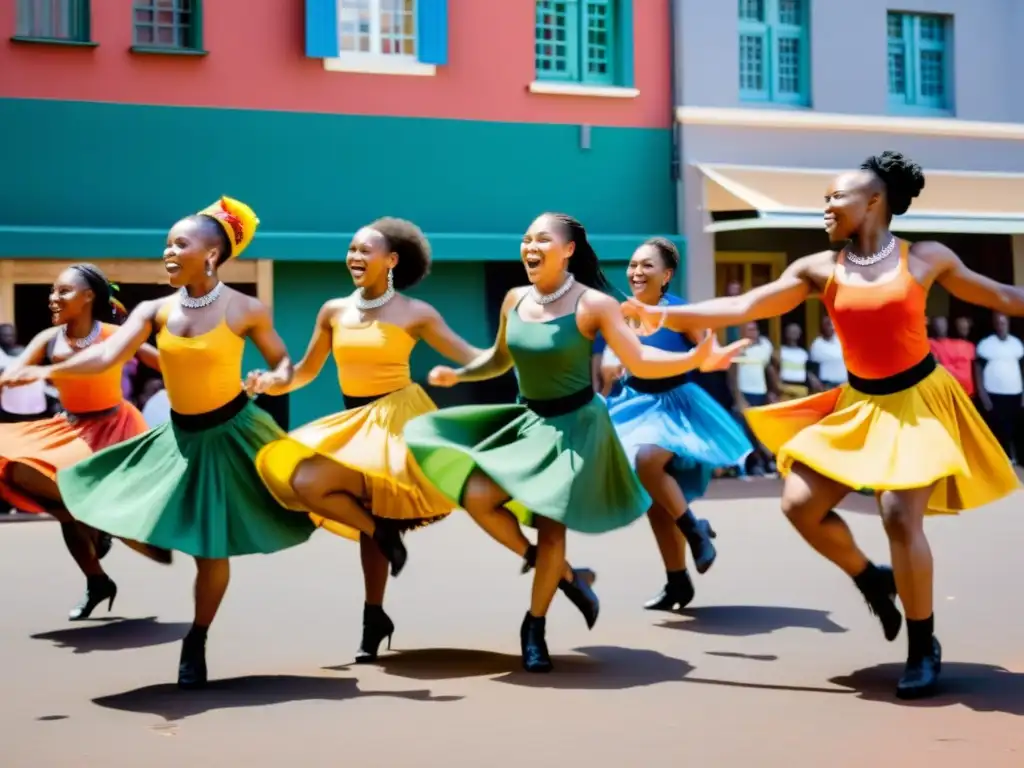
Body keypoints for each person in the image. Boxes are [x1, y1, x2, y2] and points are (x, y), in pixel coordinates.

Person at [622, 151, 1020, 700]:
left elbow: (1000, 296)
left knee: (899, 515)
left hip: (918, 401)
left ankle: (922, 643)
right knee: (799, 505)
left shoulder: (925, 257)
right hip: (859, 404)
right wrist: (663, 315)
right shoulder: (818, 268)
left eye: (836, 196)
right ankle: (870, 578)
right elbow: (750, 306)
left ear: (873, 201)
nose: (826, 206)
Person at [3, 198, 316, 689]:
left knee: (212, 552)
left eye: (180, 243)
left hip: (231, 434)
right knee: (92, 488)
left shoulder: (247, 308)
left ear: (211, 255)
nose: (168, 252)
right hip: (178, 437)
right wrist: (43, 368)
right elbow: (104, 355)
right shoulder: (152, 310)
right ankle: (114, 556)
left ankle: (197, 637)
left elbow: (284, 365)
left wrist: (273, 381)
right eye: (167, 243)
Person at [404, 212, 716, 673]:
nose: (530, 246)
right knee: (478, 497)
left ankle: (534, 628)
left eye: (542, 239)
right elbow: (499, 359)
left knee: (552, 529)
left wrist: (694, 356)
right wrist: (461, 373)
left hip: (575, 429)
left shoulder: (594, 304)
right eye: (526, 238)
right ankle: (568, 577)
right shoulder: (515, 298)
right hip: (528, 421)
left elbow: (640, 359)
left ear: (568, 250)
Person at [252, 218, 482, 662]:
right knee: (309, 484)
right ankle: (382, 555)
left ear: (391, 261)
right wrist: (269, 383)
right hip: (356, 421)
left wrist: (521, 349)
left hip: (399, 419)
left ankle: (371, 615)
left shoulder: (417, 313)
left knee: (369, 503)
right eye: (352, 249)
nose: (355, 257)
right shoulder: (333, 311)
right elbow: (303, 371)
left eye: (365, 251)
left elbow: (471, 356)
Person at [594, 238, 751, 611]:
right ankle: (678, 581)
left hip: (676, 405)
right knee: (654, 502)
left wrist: (715, 357)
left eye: (647, 265)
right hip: (633, 404)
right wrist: (609, 370)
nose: (636, 272)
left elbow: (707, 358)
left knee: (647, 460)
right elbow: (607, 364)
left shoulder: (681, 311)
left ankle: (695, 531)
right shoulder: (619, 313)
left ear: (666, 274)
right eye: (633, 265)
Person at [0, 265, 166, 618]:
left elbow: (163, 362)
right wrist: (11, 378)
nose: (53, 298)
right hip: (71, 428)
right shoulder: (49, 338)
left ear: (88, 296)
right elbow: (15, 369)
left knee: (91, 506)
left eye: (62, 291)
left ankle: (103, 525)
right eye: (52, 291)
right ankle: (97, 581)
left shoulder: (115, 334)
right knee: (49, 495)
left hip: (115, 428)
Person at [975, 312, 1024, 462]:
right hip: (994, 395)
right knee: (996, 431)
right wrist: (984, 398)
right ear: (994, 324)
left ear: (1008, 324)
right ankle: (998, 462)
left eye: (1003, 323)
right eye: (998, 323)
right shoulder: (985, 345)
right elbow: (978, 372)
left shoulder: (1017, 344)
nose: (1001, 326)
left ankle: (1015, 461)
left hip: (1015, 395)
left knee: (1014, 430)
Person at [928, 316, 976, 397]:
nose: (940, 327)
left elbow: (974, 370)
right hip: (948, 392)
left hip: (968, 393)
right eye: (937, 324)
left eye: (943, 324)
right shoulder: (931, 343)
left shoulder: (970, 346)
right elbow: (935, 365)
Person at [775, 322, 815, 400]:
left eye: (796, 332)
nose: (794, 334)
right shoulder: (780, 351)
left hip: (801, 387)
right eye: (791, 331)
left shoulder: (803, 353)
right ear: (786, 333)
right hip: (785, 387)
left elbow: (807, 371)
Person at [808, 316, 847, 391]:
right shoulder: (817, 344)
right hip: (826, 386)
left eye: (832, 324)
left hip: (844, 385)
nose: (831, 327)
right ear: (822, 327)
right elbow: (810, 369)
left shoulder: (842, 341)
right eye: (827, 324)